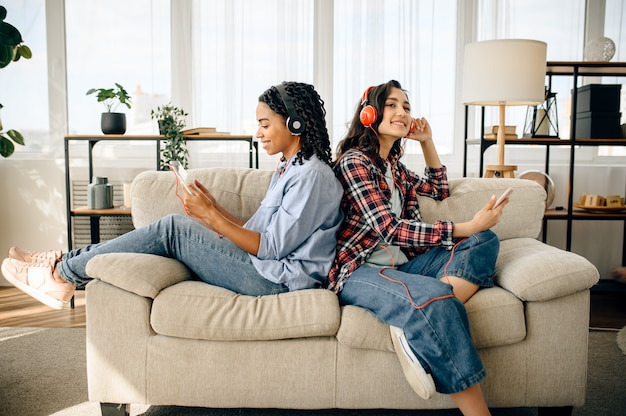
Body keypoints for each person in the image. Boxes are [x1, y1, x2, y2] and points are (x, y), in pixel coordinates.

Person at [2, 81, 343, 309]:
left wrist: (210, 217)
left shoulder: (312, 176)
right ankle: (64, 263)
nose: (258, 133)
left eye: (265, 124)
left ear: (295, 124)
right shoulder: (290, 168)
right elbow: (259, 236)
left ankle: (61, 275)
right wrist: (214, 210)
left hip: (276, 283)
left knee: (172, 229)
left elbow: (269, 247)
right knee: (177, 226)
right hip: (265, 269)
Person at [326, 80, 508, 416]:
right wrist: (466, 226)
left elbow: (439, 190)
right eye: (392, 105)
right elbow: (389, 228)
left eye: (406, 107)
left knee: (485, 241)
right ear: (370, 113)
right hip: (360, 271)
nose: (402, 112)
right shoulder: (355, 163)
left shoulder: (394, 166)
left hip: (405, 267)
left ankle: (411, 322)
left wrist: (427, 141)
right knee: (436, 300)